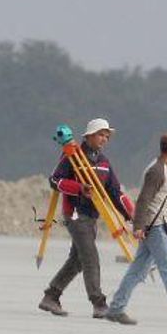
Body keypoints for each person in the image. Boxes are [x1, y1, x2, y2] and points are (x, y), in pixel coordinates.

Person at [105, 132, 167, 328]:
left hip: (154, 227)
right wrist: (138, 227)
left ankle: (116, 308)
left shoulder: (162, 168)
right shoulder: (157, 171)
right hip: (156, 228)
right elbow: (144, 200)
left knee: (137, 271)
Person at [38, 117, 135, 319]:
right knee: (90, 257)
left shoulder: (104, 162)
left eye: (107, 136)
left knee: (77, 260)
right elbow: (55, 180)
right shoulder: (72, 156)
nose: (104, 139)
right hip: (74, 214)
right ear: (89, 136)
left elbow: (115, 192)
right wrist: (79, 189)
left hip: (91, 217)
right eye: (101, 134)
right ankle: (99, 304)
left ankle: (51, 296)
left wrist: (130, 214)